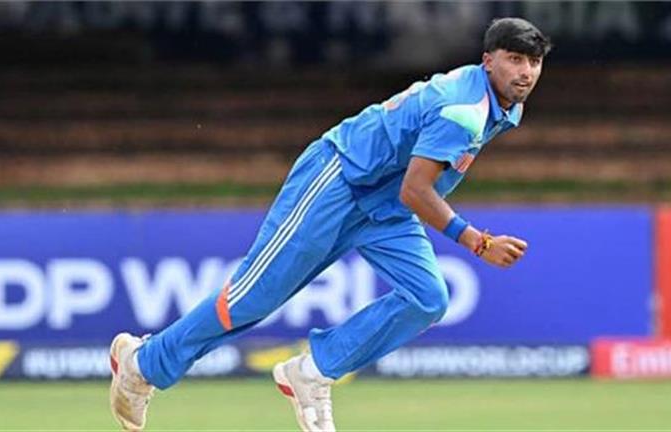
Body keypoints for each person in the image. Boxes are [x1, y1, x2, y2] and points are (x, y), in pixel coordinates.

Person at [109, 17, 551, 432]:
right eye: (514, 59)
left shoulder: (505, 107)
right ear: (487, 60)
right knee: (252, 297)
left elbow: (412, 186)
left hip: (384, 207)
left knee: (428, 298)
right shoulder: (464, 109)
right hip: (340, 180)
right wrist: (477, 242)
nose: (525, 72)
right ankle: (142, 364)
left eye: (533, 62)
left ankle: (312, 372)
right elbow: (416, 190)